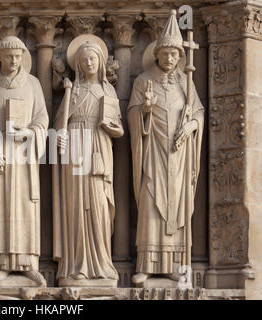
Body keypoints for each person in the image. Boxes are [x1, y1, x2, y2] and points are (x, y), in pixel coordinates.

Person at [127, 10, 204, 285]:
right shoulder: (142, 81)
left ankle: (174, 266)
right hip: (153, 153)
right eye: (167, 53)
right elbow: (133, 115)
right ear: (157, 53)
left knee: (178, 208)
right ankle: (147, 265)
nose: (171, 58)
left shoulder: (186, 82)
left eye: (175, 54)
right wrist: (145, 110)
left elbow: (198, 113)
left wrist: (191, 127)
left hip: (180, 155)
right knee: (152, 205)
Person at [0, 36, 48, 285]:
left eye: (18, 56)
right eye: (9, 56)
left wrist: (29, 132)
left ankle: (28, 263)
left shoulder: (34, 84)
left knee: (25, 206)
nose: (14, 61)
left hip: (25, 158)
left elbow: (42, 120)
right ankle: (0, 262)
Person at [53, 37, 124, 285]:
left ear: (101, 62)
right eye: (84, 60)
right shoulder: (73, 90)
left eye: (93, 59)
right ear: (78, 65)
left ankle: (102, 263)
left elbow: (119, 130)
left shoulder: (108, 91)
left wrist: (109, 127)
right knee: (76, 207)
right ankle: (76, 265)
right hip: (75, 148)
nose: (89, 63)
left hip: (100, 149)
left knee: (99, 206)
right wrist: (58, 138)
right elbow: (59, 124)